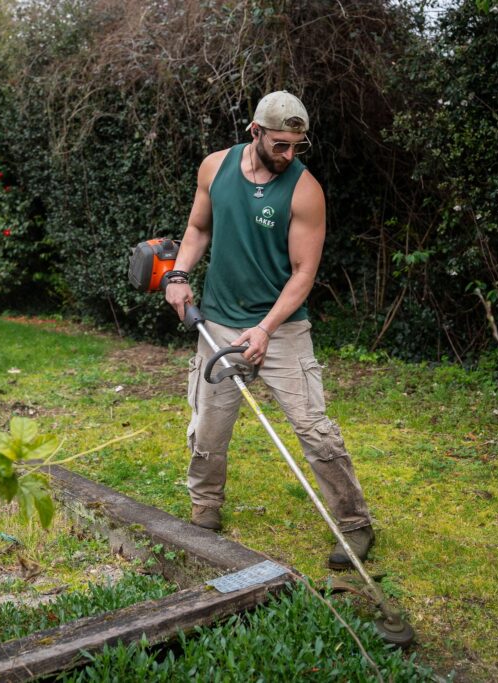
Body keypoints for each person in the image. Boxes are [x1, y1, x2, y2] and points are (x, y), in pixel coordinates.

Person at [163, 91, 374, 569]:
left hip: (281, 329)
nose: (288, 154)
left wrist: (264, 330)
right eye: (279, 144)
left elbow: (303, 273)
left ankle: (355, 526)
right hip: (217, 320)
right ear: (254, 132)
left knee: (315, 430)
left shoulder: (305, 191)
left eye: (297, 145)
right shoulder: (214, 169)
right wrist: (178, 274)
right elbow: (198, 230)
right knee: (208, 431)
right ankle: (206, 508)